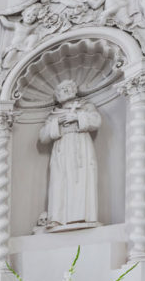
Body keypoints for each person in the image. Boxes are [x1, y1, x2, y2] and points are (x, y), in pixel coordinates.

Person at [38, 79, 101, 228]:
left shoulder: (85, 106)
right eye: (61, 90)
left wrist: (77, 117)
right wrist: (57, 123)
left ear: (74, 90)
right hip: (61, 148)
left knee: (81, 178)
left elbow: (96, 121)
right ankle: (57, 218)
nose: (65, 91)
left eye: (68, 88)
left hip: (81, 145)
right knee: (59, 181)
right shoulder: (53, 115)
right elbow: (43, 137)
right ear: (57, 95)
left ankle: (82, 216)